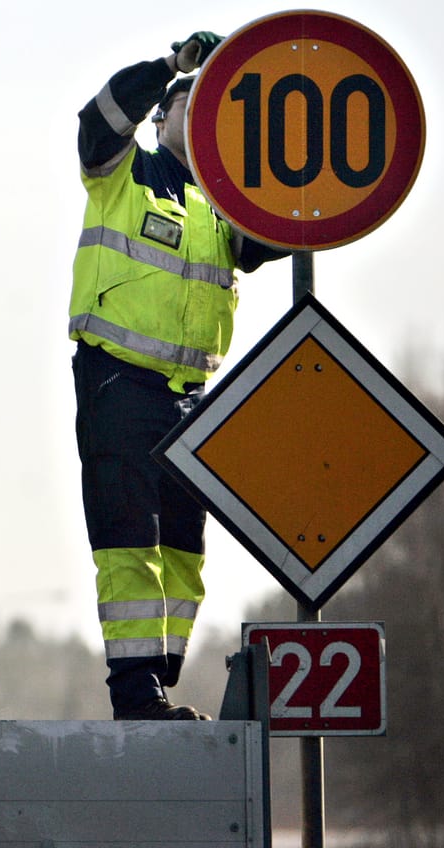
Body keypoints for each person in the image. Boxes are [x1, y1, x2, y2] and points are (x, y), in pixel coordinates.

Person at [68, 32, 288, 720]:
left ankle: (159, 683)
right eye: (193, 105)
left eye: (217, 109)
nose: (203, 117)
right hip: (119, 384)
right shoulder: (125, 172)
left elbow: (284, 226)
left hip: (192, 402)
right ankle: (136, 696)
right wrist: (174, 67)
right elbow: (100, 118)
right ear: (161, 117)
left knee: (184, 554)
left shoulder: (227, 206)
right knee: (129, 540)